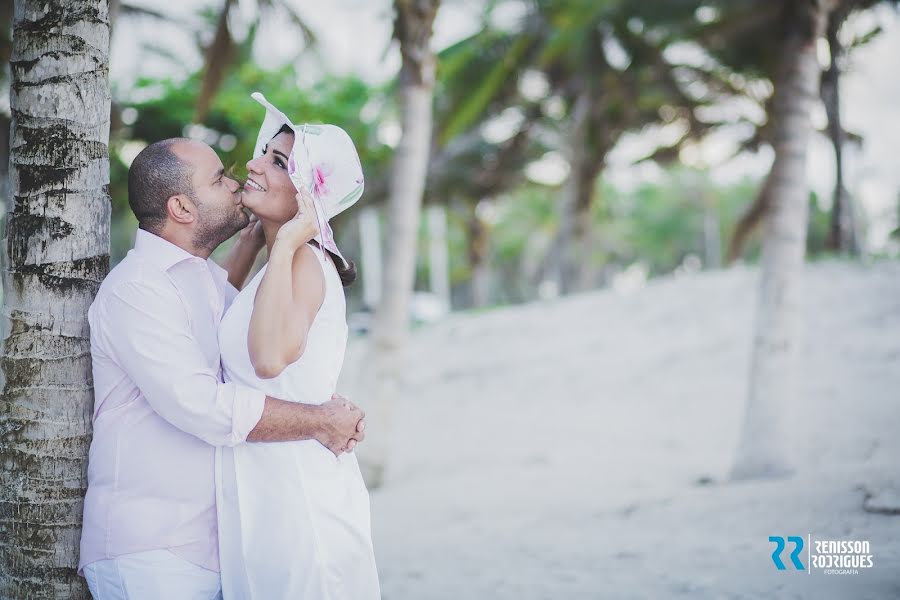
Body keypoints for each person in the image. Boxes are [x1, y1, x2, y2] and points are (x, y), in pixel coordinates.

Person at [79, 135, 366, 599]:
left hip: (219, 544)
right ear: (182, 209)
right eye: (218, 179)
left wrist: (262, 244)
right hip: (154, 551)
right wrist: (322, 422)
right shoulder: (137, 290)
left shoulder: (206, 279)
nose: (237, 181)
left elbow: (236, 331)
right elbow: (203, 405)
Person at [215, 93, 380, 599]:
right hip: (266, 490)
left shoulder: (303, 262)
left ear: (309, 194)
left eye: (277, 161)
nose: (253, 164)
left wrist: (284, 241)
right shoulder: (276, 267)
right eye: (265, 153)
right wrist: (256, 240)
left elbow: (267, 360)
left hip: (299, 496)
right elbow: (209, 317)